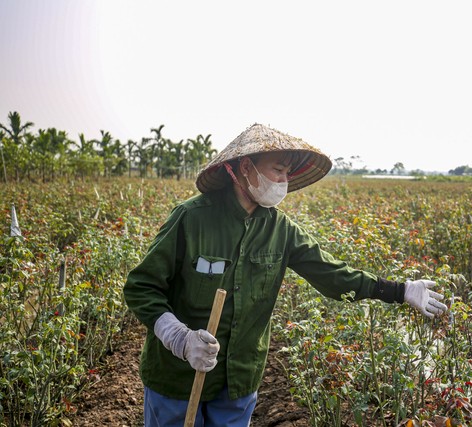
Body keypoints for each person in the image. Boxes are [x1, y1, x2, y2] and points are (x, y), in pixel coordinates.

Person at [123, 123, 448, 427]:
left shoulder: (282, 231)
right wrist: (179, 338)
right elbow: (141, 286)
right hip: (177, 378)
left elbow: (334, 275)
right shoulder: (191, 219)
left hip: (238, 380)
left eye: (287, 173)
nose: (283, 180)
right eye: (277, 170)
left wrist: (399, 290)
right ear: (245, 168)